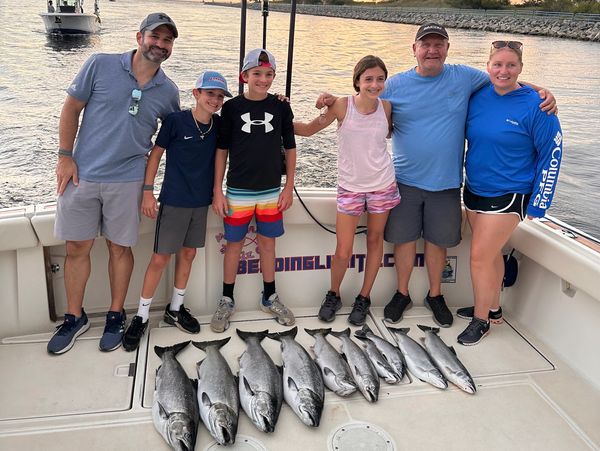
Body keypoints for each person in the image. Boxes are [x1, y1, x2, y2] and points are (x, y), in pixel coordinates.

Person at [318, 23, 556, 328]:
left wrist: (542, 92)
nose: (432, 50)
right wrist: (330, 98)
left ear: (446, 48)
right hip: (402, 180)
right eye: (425, 44)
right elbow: (364, 93)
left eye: (438, 44)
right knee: (403, 241)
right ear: (414, 49)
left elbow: (505, 79)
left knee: (437, 242)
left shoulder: (466, 77)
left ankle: (435, 294)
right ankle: (402, 293)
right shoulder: (395, 85)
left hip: (446, 182)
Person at [48, 13, 180, 355]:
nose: (160, 45)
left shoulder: (168, 91)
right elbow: (71, 109)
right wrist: (65, 155)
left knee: (120, 250)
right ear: (140, 37)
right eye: (156, 37)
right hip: (82, 174)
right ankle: (74, 317)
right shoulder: (99, 64)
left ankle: (115, 314)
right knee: (77, 248)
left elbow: (175, 135)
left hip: (129, 181)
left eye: (167, 41)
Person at [456, 40, 562, 345]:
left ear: (521, 68)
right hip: (475, 188)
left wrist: (540, 203)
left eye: (511, 65)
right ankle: (494, 308)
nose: (504, 71)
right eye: (497, 65)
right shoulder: (477, 95)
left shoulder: (538, 106)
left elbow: (551, 154)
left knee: (478, 257)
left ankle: (481, 321)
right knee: (490, 255)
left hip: (511, 193)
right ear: (488, 66)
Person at [121, 71, 232, 351]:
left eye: (219, 96)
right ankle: (142, 316)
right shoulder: (175, 121)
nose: (215, 100)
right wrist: (148, 191)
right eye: (210, 94)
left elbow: (226, 151)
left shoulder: (219, 126)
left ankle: (176, 308)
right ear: (196, 93)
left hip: (201, 202)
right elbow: (156, 155)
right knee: (160, 258)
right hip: (173, 201)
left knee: (189, 253)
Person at [294, 55, 400, 326]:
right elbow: (307, 130)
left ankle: (364, 297)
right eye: (368, 79)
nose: (374, 84)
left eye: (379, 79)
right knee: (343, 249)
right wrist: (276, 115)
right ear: (357, 81)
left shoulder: (386, 108)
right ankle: (334, 294)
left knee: (376, 241)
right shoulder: (342, 105)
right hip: (351, 188)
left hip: (382, 185)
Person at [210, 48, 297, 333]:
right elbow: (222, 150)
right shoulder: (231, 108)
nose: (263, 79)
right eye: (257, 74)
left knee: (268, 244)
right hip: (237, 191)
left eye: (269, 74)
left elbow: (291, 147)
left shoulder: (281, 106)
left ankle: (269, 296)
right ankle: (226, 299)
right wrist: (218, 190)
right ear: (244, 76)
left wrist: (289, 187)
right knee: (233, 245)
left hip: (271, 191)